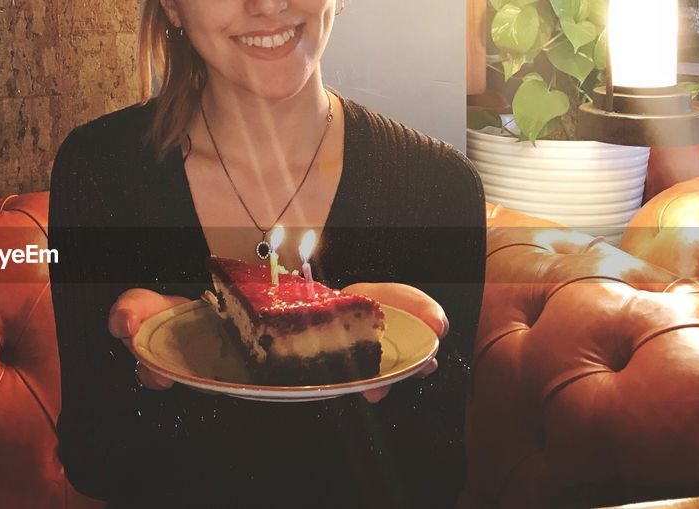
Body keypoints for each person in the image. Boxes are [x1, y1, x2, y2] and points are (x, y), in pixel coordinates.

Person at [47, 0, 486, 507]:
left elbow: (437, 474)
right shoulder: (100, 172)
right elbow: (93, 461)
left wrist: (400, 373)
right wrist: (143, 371)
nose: (267, 5)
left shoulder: (440, 189)